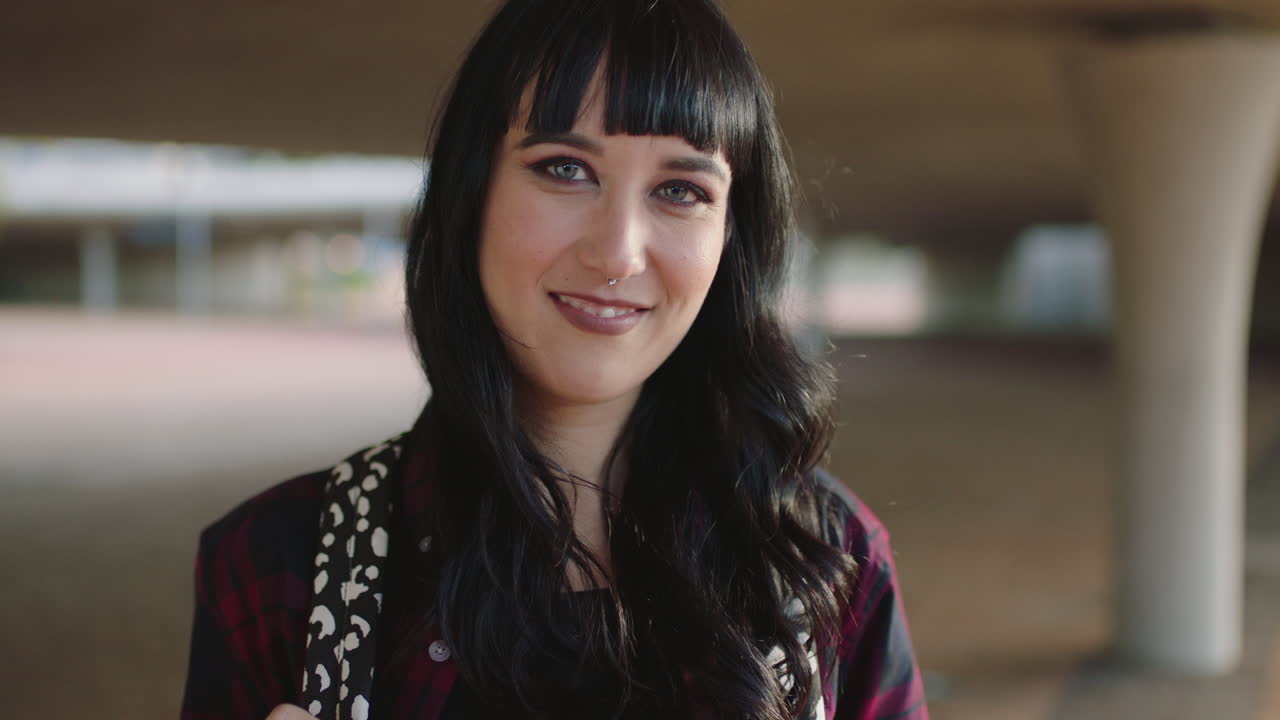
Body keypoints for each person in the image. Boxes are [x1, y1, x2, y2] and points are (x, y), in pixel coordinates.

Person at [181, 0, 929, 718]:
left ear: (730, 236)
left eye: (680, 189)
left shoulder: (824, 559)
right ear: (470, 193)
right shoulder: (282, 564)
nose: (616, 253)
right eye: (566, 169)